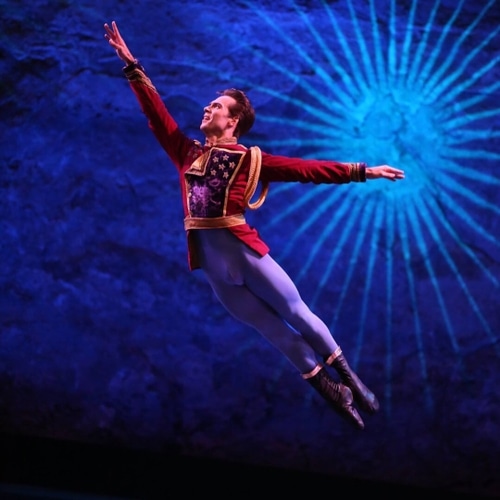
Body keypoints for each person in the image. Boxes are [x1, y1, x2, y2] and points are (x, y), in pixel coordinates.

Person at [104, 20, 405, 430]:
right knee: (272, 331)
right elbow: (157, 117)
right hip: (215, 269)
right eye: (210, 104)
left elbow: (304, 170)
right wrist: (131, 65)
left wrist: (363, 171)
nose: (207, 108)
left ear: (233, 122)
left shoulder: (249, 159)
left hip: (246, 255)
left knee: (297, 313)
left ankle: (350, 378)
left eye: (217, 106)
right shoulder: (186, 153)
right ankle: (331, 391)